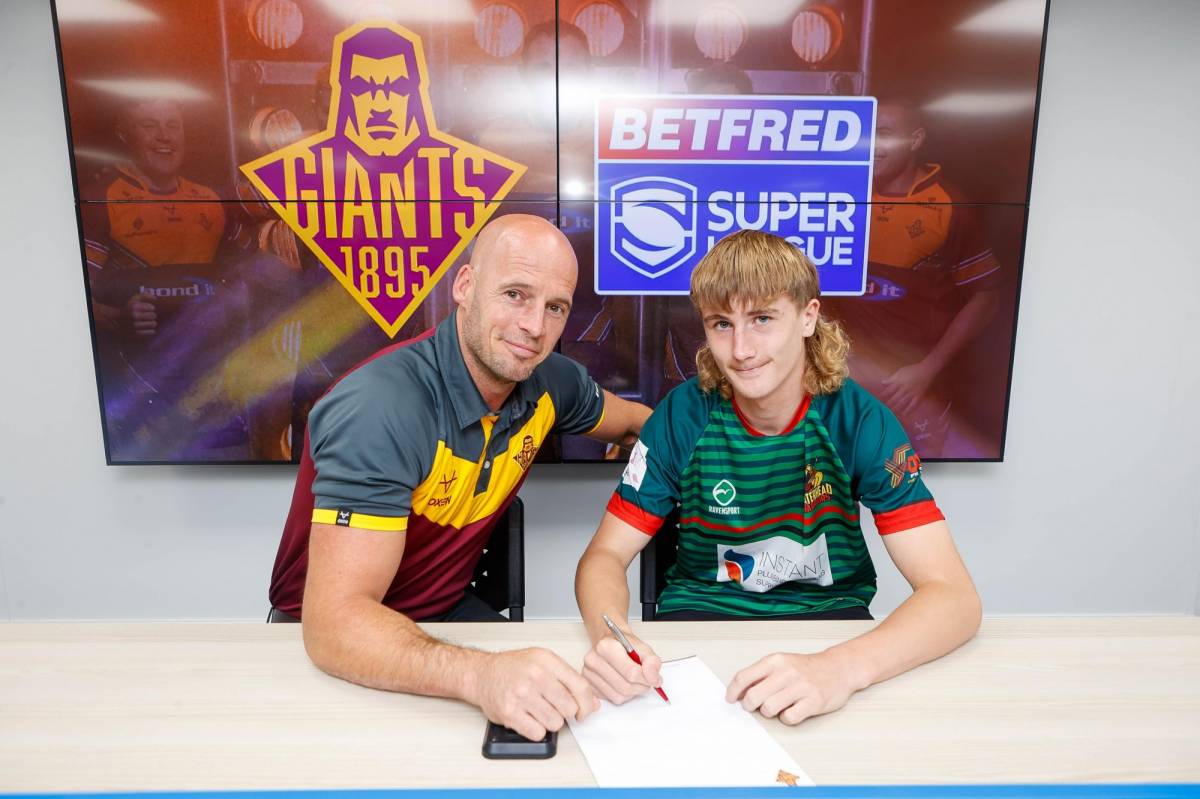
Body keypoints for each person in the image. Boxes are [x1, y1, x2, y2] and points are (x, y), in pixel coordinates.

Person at [268, 214, 651, 741]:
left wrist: (728, 450)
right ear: (465, 285)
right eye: (515, 294)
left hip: (447, 615)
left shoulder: (549, 382)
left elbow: (640, 425)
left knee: (577, 726)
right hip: (331, 638)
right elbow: (334, 623)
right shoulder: (380, 406)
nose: (535, 327)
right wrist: (481, 675)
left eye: (555, 307)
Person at [575, 229, 981, 726]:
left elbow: (955, 598)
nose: (741, 349)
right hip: (699, 628)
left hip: (831, 630)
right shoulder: (681, 416)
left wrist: (839, 669)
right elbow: (604, 556)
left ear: (808, 317)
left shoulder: (860, 421)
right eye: (721, 324)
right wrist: (612, 639)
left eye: (762, 319)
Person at [822, 101, 1005, 457]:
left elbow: (987, 297)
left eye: (885, 134)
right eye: (866, 134)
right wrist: (842, 359)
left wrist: (927, 370)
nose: (872, 145)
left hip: (913, 387)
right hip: (847, 381)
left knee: (906, 476)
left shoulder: (947, 205)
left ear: (916, 139)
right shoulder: (841, 194)